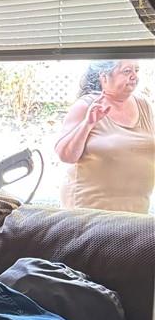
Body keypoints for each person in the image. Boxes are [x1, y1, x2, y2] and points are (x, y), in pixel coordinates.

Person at [55, 60, 154, 213]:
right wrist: (87, 123)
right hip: (88, 215)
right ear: (104, 77)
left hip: (136, 213)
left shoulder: (144, 105)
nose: (135, 76)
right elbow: (65, 155)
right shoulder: (86, 105)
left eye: (137, 70)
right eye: (127, 71)